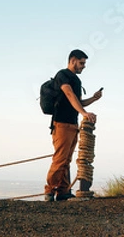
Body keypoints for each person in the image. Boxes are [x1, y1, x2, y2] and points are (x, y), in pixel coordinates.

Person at [44, 49, 102, 201]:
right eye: (81, 63)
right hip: (61, 123)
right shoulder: (62, 75)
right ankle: (49, 190)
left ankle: (62, 192)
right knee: (60, 159)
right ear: (73, 60)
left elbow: (78, 102)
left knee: (66, 160)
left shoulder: (77, 80)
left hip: (72, 124)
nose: (84, 66)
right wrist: (84, 113)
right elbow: (69, 94)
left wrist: (93, 99)